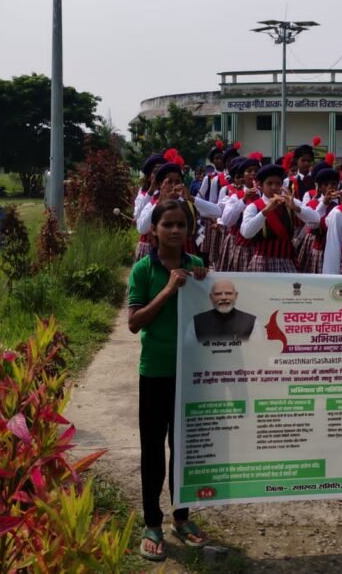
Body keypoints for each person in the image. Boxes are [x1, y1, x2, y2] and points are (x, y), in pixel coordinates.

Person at [127, 199, 210, 561]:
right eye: (168, 224)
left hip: (191, 373)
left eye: (181, 224)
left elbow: (217, 311)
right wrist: (168, 290)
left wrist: (207, 283)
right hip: (156, 372)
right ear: (154, 229)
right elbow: (134, 323)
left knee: (185, 448)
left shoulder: (197, 267)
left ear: (189, 230)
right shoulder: (143, 270)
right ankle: (152, 522)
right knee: (153, 450)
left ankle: (182, 517)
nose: (175, 230)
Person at [240, 163, 320, 273]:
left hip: (287, 262)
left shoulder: (289, 202)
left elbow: (316, 219)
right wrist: (265, 211)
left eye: (278, 183)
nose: (274, 187)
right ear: (260, 185)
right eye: (269, 183)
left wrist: (296, 208)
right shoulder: (254, 206)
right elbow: (246, 232)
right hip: (262, 262)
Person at [193, 279, 257, 340]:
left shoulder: (252, 323)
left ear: (236, 296)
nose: (223, 297)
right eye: (218, 294)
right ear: (211, 297)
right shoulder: (196, 322)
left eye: (229, 293)